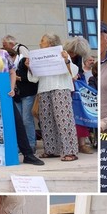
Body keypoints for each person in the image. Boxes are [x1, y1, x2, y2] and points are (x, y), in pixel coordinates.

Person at [0, 30, 43, 166]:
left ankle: (28, 154)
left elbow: (12, 72)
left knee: (17, 123)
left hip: (5, 95)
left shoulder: (3, 53)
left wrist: (11, 88)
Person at [26, 33, 79, 161]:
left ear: (50, 43)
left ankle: (70, 151)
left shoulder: (62, 53)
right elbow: (34, 78)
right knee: (46, 120)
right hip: (44, 88)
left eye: (42, 40)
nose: (40, 43)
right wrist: (30, 66)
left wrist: (66, 60)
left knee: (64, 119)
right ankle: (51, 150)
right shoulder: (38, 56)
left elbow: (73, 72)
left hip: (60, 87)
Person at [63, 36, 94, 154]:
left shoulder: (78, 55)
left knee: (80, 114)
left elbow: (79, 70)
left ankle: (82, 144)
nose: (74, 54)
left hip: (75, 88)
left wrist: (77, 76)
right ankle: (70, 143)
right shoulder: (62, 53)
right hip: (64, 86)